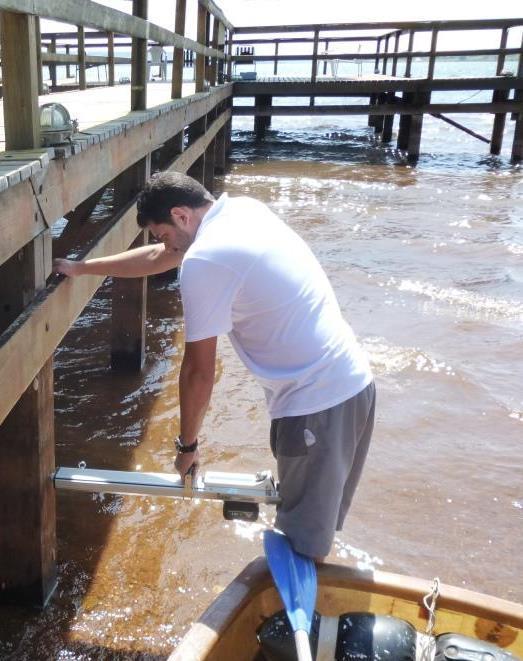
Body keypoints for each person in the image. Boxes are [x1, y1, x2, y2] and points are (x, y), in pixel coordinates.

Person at [53, 171, 375, 560]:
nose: (164, 244)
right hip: (351, 386)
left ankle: (302, 619)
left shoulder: (205, 260)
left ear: (181, 215)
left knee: (301, 548)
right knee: (311, 524)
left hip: (316, 408)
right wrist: (83, 267)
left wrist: (187, 446)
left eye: (163, 233)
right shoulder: (243, 211)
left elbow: (198, 372)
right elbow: (164, 255)